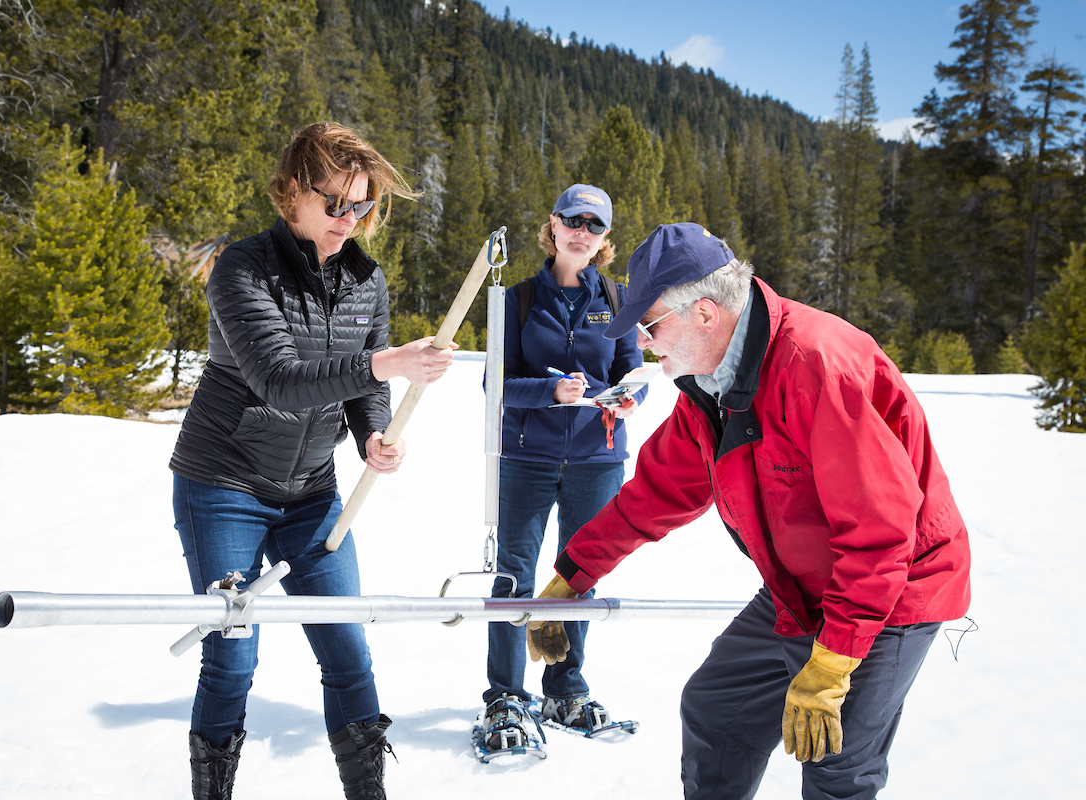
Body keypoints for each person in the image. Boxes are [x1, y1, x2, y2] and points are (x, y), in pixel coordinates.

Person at [526, 222, 971, 798]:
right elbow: (657, 492)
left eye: (651, 324)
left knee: (836, 761)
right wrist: (571, 576)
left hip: (890, 589)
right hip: (800, 584)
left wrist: (833, 663)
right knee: (717, 710)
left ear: (706, 313)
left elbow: (881, 532)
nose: (644, 343)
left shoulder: (817, 366)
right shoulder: (711, 383)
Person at [168, 122, 456, 800]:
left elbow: (366, 389)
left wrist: (373, 435)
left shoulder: (365, 280)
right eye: (336, 204)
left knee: (348, 651)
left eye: (364, 206)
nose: (350, 221)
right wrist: (386, 360)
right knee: (233, 653)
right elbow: (280, 379)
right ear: (292, 192)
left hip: (312, 493)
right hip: (223, 484)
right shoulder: (243, 268)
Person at [480, 184, 646, 757]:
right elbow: (493, 386)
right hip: (526, 458)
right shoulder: (518, 299)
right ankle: (505, 695)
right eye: (572, 220)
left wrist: (624, 399)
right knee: (513, 576)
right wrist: (551, 389)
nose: (581, 232)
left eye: (593, 225)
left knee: (580, 574)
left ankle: (565, 689)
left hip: (597, 461)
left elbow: (633, 377)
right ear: (552, 225)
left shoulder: (620, 300)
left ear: (603, 239)